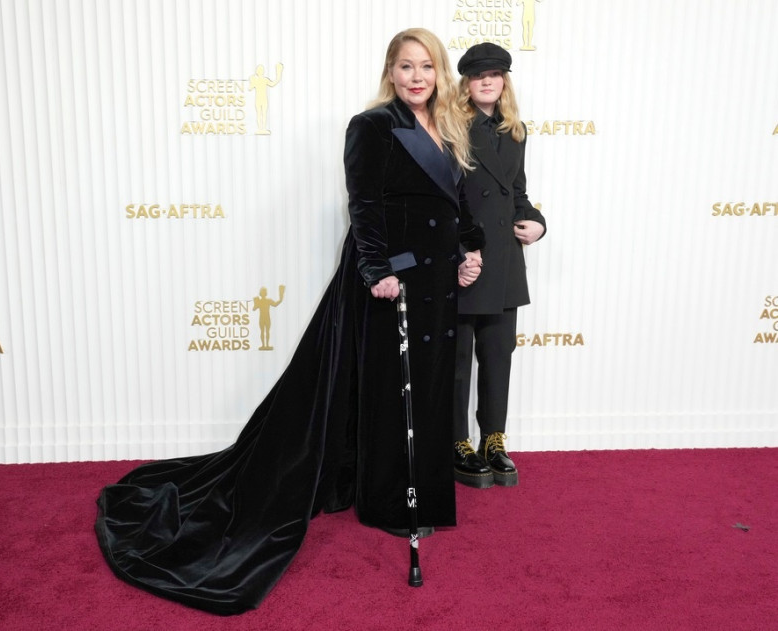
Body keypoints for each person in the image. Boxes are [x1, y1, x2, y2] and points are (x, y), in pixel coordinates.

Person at [95, 28, 485, 616]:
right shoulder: (372, 126)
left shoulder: (451, 127)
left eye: (426, 66)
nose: (416, 77)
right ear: (390, 71)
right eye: (406, 66)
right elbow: (364, 205)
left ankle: (423, 491)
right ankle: (390, 502)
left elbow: (458, 203)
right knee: (390, 387)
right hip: (393, 279)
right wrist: (375, 268)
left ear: (439, 72)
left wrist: (471, 249)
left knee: (428, 384)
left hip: (436, 280)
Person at [451, 43, 546, 489]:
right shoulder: (450, 127)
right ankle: (456, 442)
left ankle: (493, 440)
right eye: (478, 75)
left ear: (504, 81)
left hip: (505, 260)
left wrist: (537, 222)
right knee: (456, 361)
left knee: (497, 356)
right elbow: (446, 198)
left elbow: (517, 193)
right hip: (467, 259)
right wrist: (460, 251)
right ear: (466, 83)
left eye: (494, 74)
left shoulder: (515, 131)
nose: (487, 81)